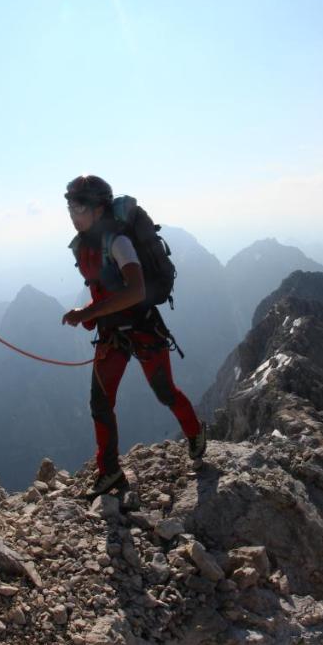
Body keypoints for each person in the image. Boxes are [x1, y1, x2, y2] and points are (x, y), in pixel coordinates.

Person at [61, 175, 206, 497]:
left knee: (165, 392)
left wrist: (87, 314)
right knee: (100, 403)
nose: (73, 212)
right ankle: (110, 471)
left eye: (79, 205)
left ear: (99, 209)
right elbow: (105, 290)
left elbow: (136, 290)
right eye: (69, 205)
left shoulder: (118, 243)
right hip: (112, 332)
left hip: (141, 327)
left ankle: (196, 433)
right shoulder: (87, 244)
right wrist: (91, 312)